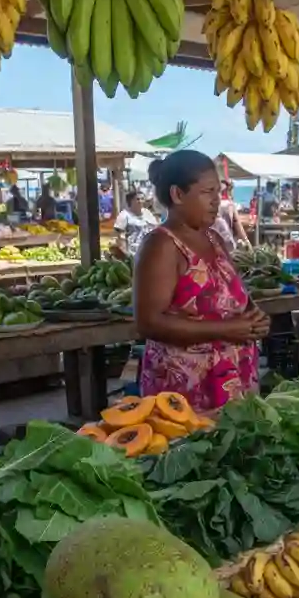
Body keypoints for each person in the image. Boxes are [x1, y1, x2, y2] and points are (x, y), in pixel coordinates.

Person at [134, 151, 269, 411]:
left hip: (233, 379)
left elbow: (231, 292)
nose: (216, 201)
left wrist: (254, 317)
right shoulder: (161, 245)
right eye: (207, 192)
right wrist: (226, 330)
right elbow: (148, 322)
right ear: (178, 195)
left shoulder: (214, 239)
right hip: (186, 390)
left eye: (218, 192)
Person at [110, 190, 158, 260]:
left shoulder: (147, 213)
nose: (140, 201)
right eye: (137, 199)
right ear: (130, 201)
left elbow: (155, 229)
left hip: (149, 251)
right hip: (133, 253)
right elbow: (119, 236)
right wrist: (125, 254)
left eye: (142, 199)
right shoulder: (124, 215)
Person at [218, 180, 249, 246]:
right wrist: (246, 242)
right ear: (229, 191)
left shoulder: (210, 205)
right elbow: (238, 225)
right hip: (227, 242)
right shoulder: (230, 205)